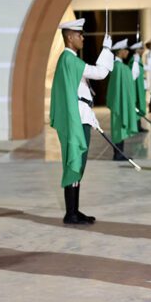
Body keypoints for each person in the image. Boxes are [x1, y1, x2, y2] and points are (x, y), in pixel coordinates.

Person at [49, 18, 113, 224]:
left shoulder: (69, 60)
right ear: (70, 37)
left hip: (79, 117)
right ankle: (71, 213)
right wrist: (106, 50)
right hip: (77, 120)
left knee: (78, 162)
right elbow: (100, 73)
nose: (82, 38)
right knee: (75, 161)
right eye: (79, 35)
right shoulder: (70, 60)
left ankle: (74, 211)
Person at [107, 39, 138, 161]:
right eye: (125, 50)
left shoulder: (117, 66)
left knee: (119, 128)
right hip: (119, 102)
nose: (127, 52)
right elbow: (132, 77)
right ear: (120, 51)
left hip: (118, 101)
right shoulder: (119, 67)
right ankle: (118, 154)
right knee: (118, 128)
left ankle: (119, 153)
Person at [128, 41, 147, 132]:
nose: (143, 50)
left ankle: (138, 125)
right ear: (137, 50)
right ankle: (136, 126)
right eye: (141, 48)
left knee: (139, 105)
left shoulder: (138, 60)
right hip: (135, 88)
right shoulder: (134, 61)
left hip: (139, 88)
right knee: (137, 105)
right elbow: (133, 75)